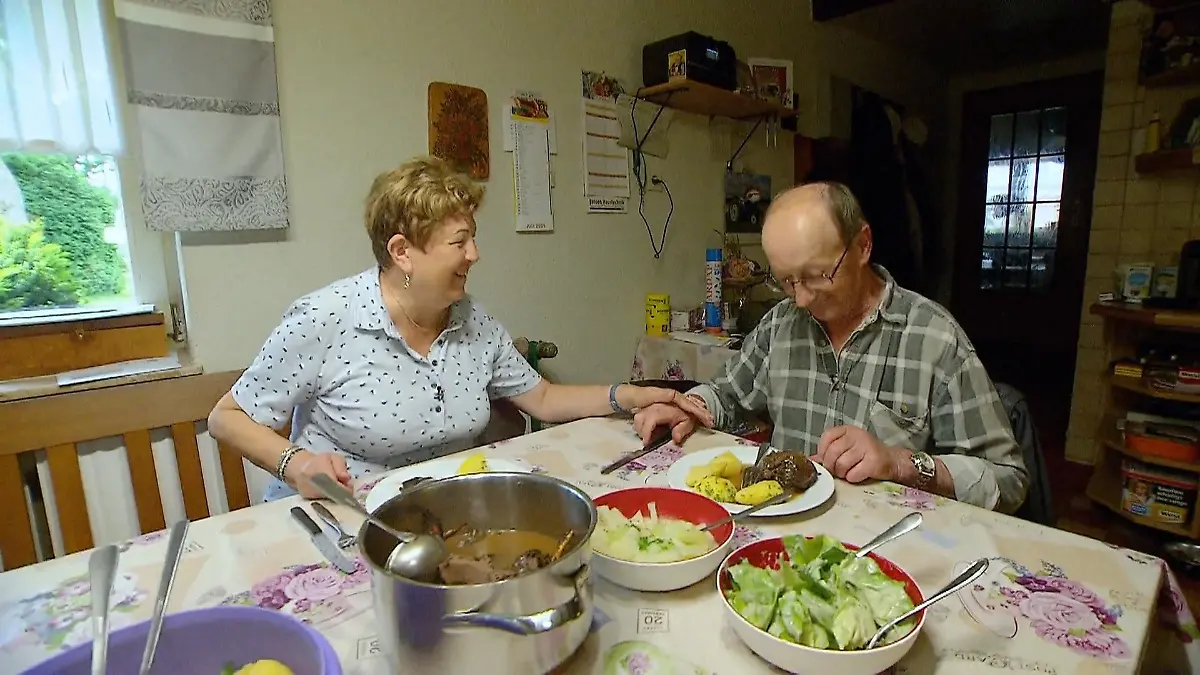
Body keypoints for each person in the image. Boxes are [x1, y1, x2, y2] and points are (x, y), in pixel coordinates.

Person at [209, 156, 709, 501]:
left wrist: (629, 395)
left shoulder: (473, 319)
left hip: (437, 515)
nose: (475, 254)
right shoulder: (326, 318)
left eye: (474, 238)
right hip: (337, 519)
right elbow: (226, 418)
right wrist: (295, 462)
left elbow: (543, 399)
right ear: (402, 251)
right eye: (459, 241)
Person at [633, 182, 1028, 513]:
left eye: (817, 275)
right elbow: (727, 395)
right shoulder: (781, 322)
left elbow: (1008, 480)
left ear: (863, 245)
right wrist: (686, 407)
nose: (801, 299)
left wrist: (900, 464)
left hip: (885, 542)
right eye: (786, 281)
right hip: (783, 531)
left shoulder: (934, 338)